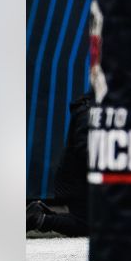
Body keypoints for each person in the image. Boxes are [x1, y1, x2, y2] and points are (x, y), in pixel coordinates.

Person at [26, 94, 91, 236]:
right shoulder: (88, 112)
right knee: (89, 226)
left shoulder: (96, 109)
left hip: (82, 180)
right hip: (77, 183)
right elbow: (85, 151)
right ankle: (40, 219)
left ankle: (41, 216)